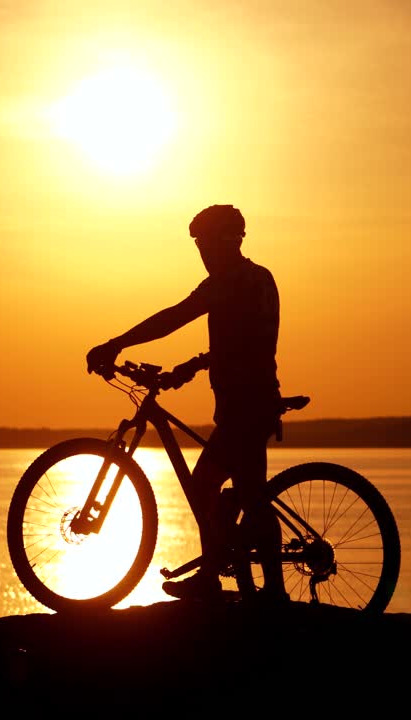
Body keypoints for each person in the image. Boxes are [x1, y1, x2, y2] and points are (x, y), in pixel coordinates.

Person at [86, 204, 287, 602]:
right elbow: (241, 342)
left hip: (247, 403)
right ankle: (221, 574)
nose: (201, 252)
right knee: (238, 491)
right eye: (198, 244)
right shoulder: (256, 278)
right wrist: (191, 366)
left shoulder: (229, 281)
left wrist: (116, 343)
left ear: (225, 242)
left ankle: (263, 591)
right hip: (251, 400)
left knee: (220, 487)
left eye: (204, 243)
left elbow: (173, 318)